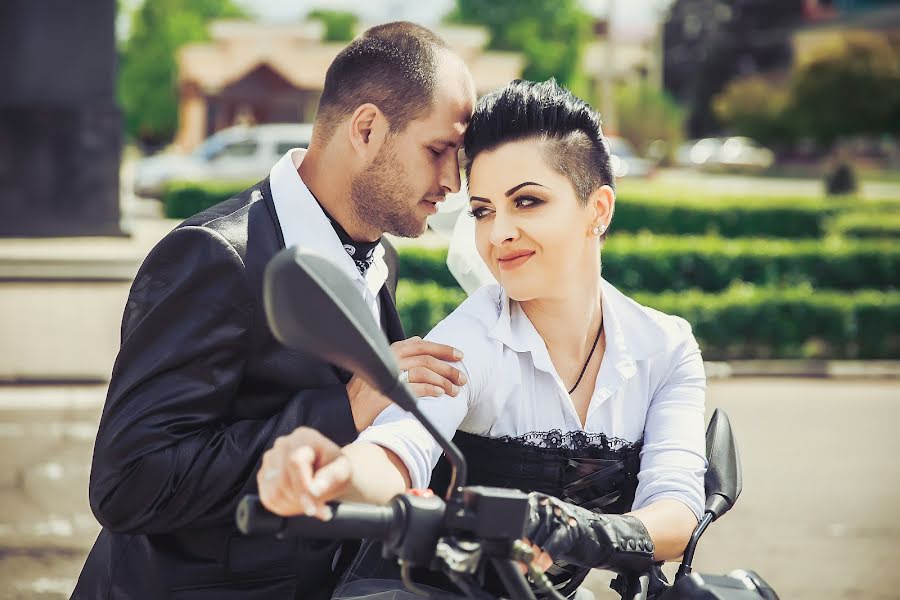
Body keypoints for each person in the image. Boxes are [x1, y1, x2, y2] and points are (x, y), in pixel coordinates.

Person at [71, 22, 475, 600]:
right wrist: (344, 408)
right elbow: (128, 481)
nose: (451, 182)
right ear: (366, 129)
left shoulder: (380, 253)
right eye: (438, 151)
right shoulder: (214, 258)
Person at [258, 79, 707, 598]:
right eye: (483, 210)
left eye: (528, 202)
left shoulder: (665, 347)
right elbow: (397, 450)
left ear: (598, 210)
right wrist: (336, 467)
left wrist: (571, 529)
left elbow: (675, 515)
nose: (498, 234)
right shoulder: (469, 341)